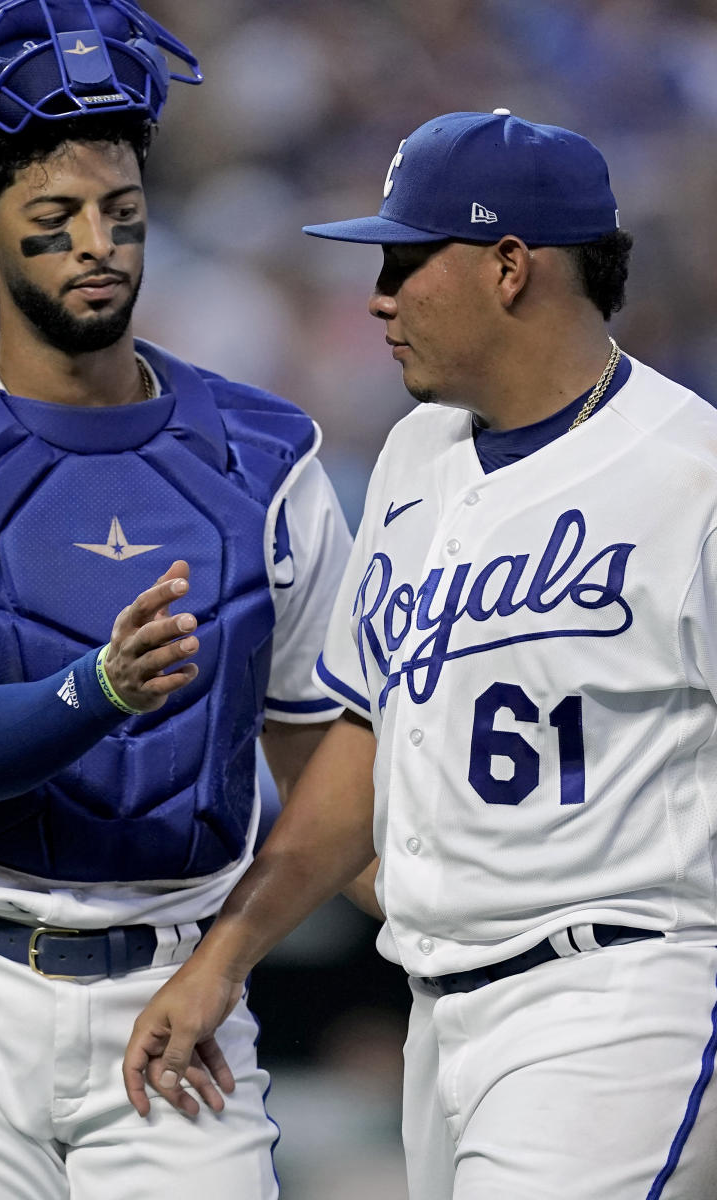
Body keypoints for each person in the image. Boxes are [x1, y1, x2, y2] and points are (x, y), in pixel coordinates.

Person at [0, 3, 360, 1197]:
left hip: (178, 988)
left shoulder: (267, 463)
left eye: (123, 216)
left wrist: (235, 956)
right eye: (56, 221)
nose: (98, 244)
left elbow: (334, 755)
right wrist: (98, 685)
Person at [122, 108, 717, 1200]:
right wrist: (223, 958)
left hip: (623, 998)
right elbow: (366, 738)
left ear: (507, 266)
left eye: (405, 259)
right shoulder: (415, 456)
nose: (377, 296)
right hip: (439, 1014)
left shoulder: (692, 476)